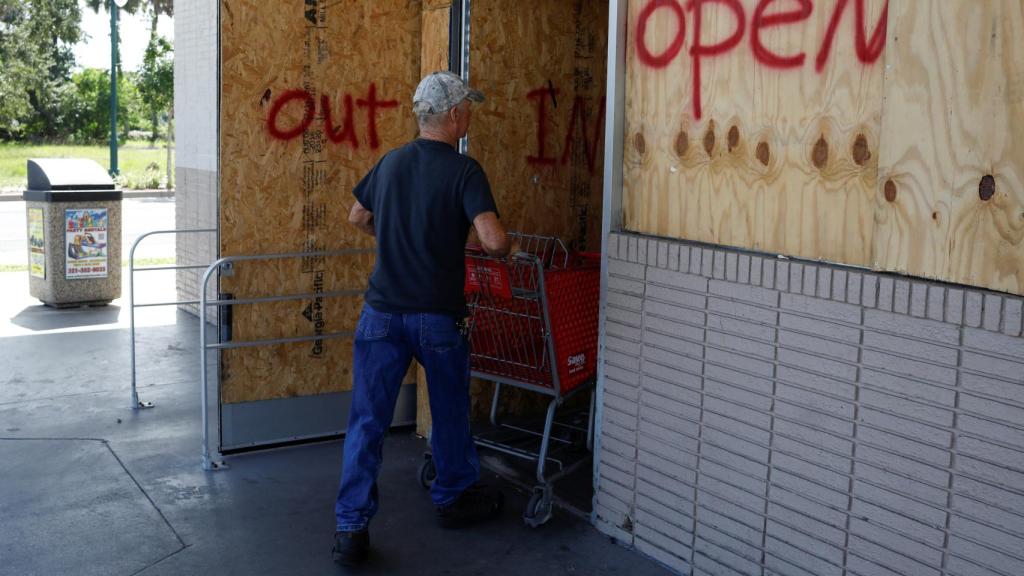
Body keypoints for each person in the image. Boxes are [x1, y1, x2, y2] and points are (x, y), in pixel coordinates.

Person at [332, 71, 511, 567]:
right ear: (453, 116)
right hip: (437, 317)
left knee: (367, 419)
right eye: (467, 108)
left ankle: (350, 527)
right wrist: (499, 246)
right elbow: (493, 240)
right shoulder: (464, 171)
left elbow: (357, 216)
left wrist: (395, 241)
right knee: (450, 410)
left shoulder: (390, 164)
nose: (469, 115)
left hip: (381, 314)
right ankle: (454, 496)